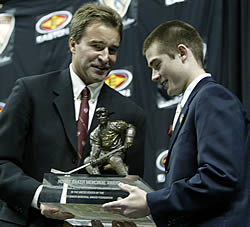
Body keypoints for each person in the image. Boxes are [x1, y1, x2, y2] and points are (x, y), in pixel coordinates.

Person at [0, 2, 145, 227]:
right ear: (73, 44)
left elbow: (130, 186)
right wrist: (41, 197)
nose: (105, 57)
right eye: (97, 46)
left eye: (113, 49)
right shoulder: (30, 93)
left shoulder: (131, 114)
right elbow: (2, 163)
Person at [103, 20, 250, 226]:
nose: (154, 76)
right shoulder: (196, 101)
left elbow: (220, 177)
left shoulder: (212, 97)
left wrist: (150, 202)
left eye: (157, 64)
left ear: (182, 52)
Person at [84, 107, 136, 175]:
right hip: (103, 154)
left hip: (116, 152)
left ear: (107, 117)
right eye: (98, 116)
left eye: (103, 116)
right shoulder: (95, 133)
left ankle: (126, 179)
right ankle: (98, 180)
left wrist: (129, 138)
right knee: (88, 161)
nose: (101, 118)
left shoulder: (115, 125)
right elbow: (96, 146)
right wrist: (93, 157)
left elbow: (130, 127)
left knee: (114, 160)